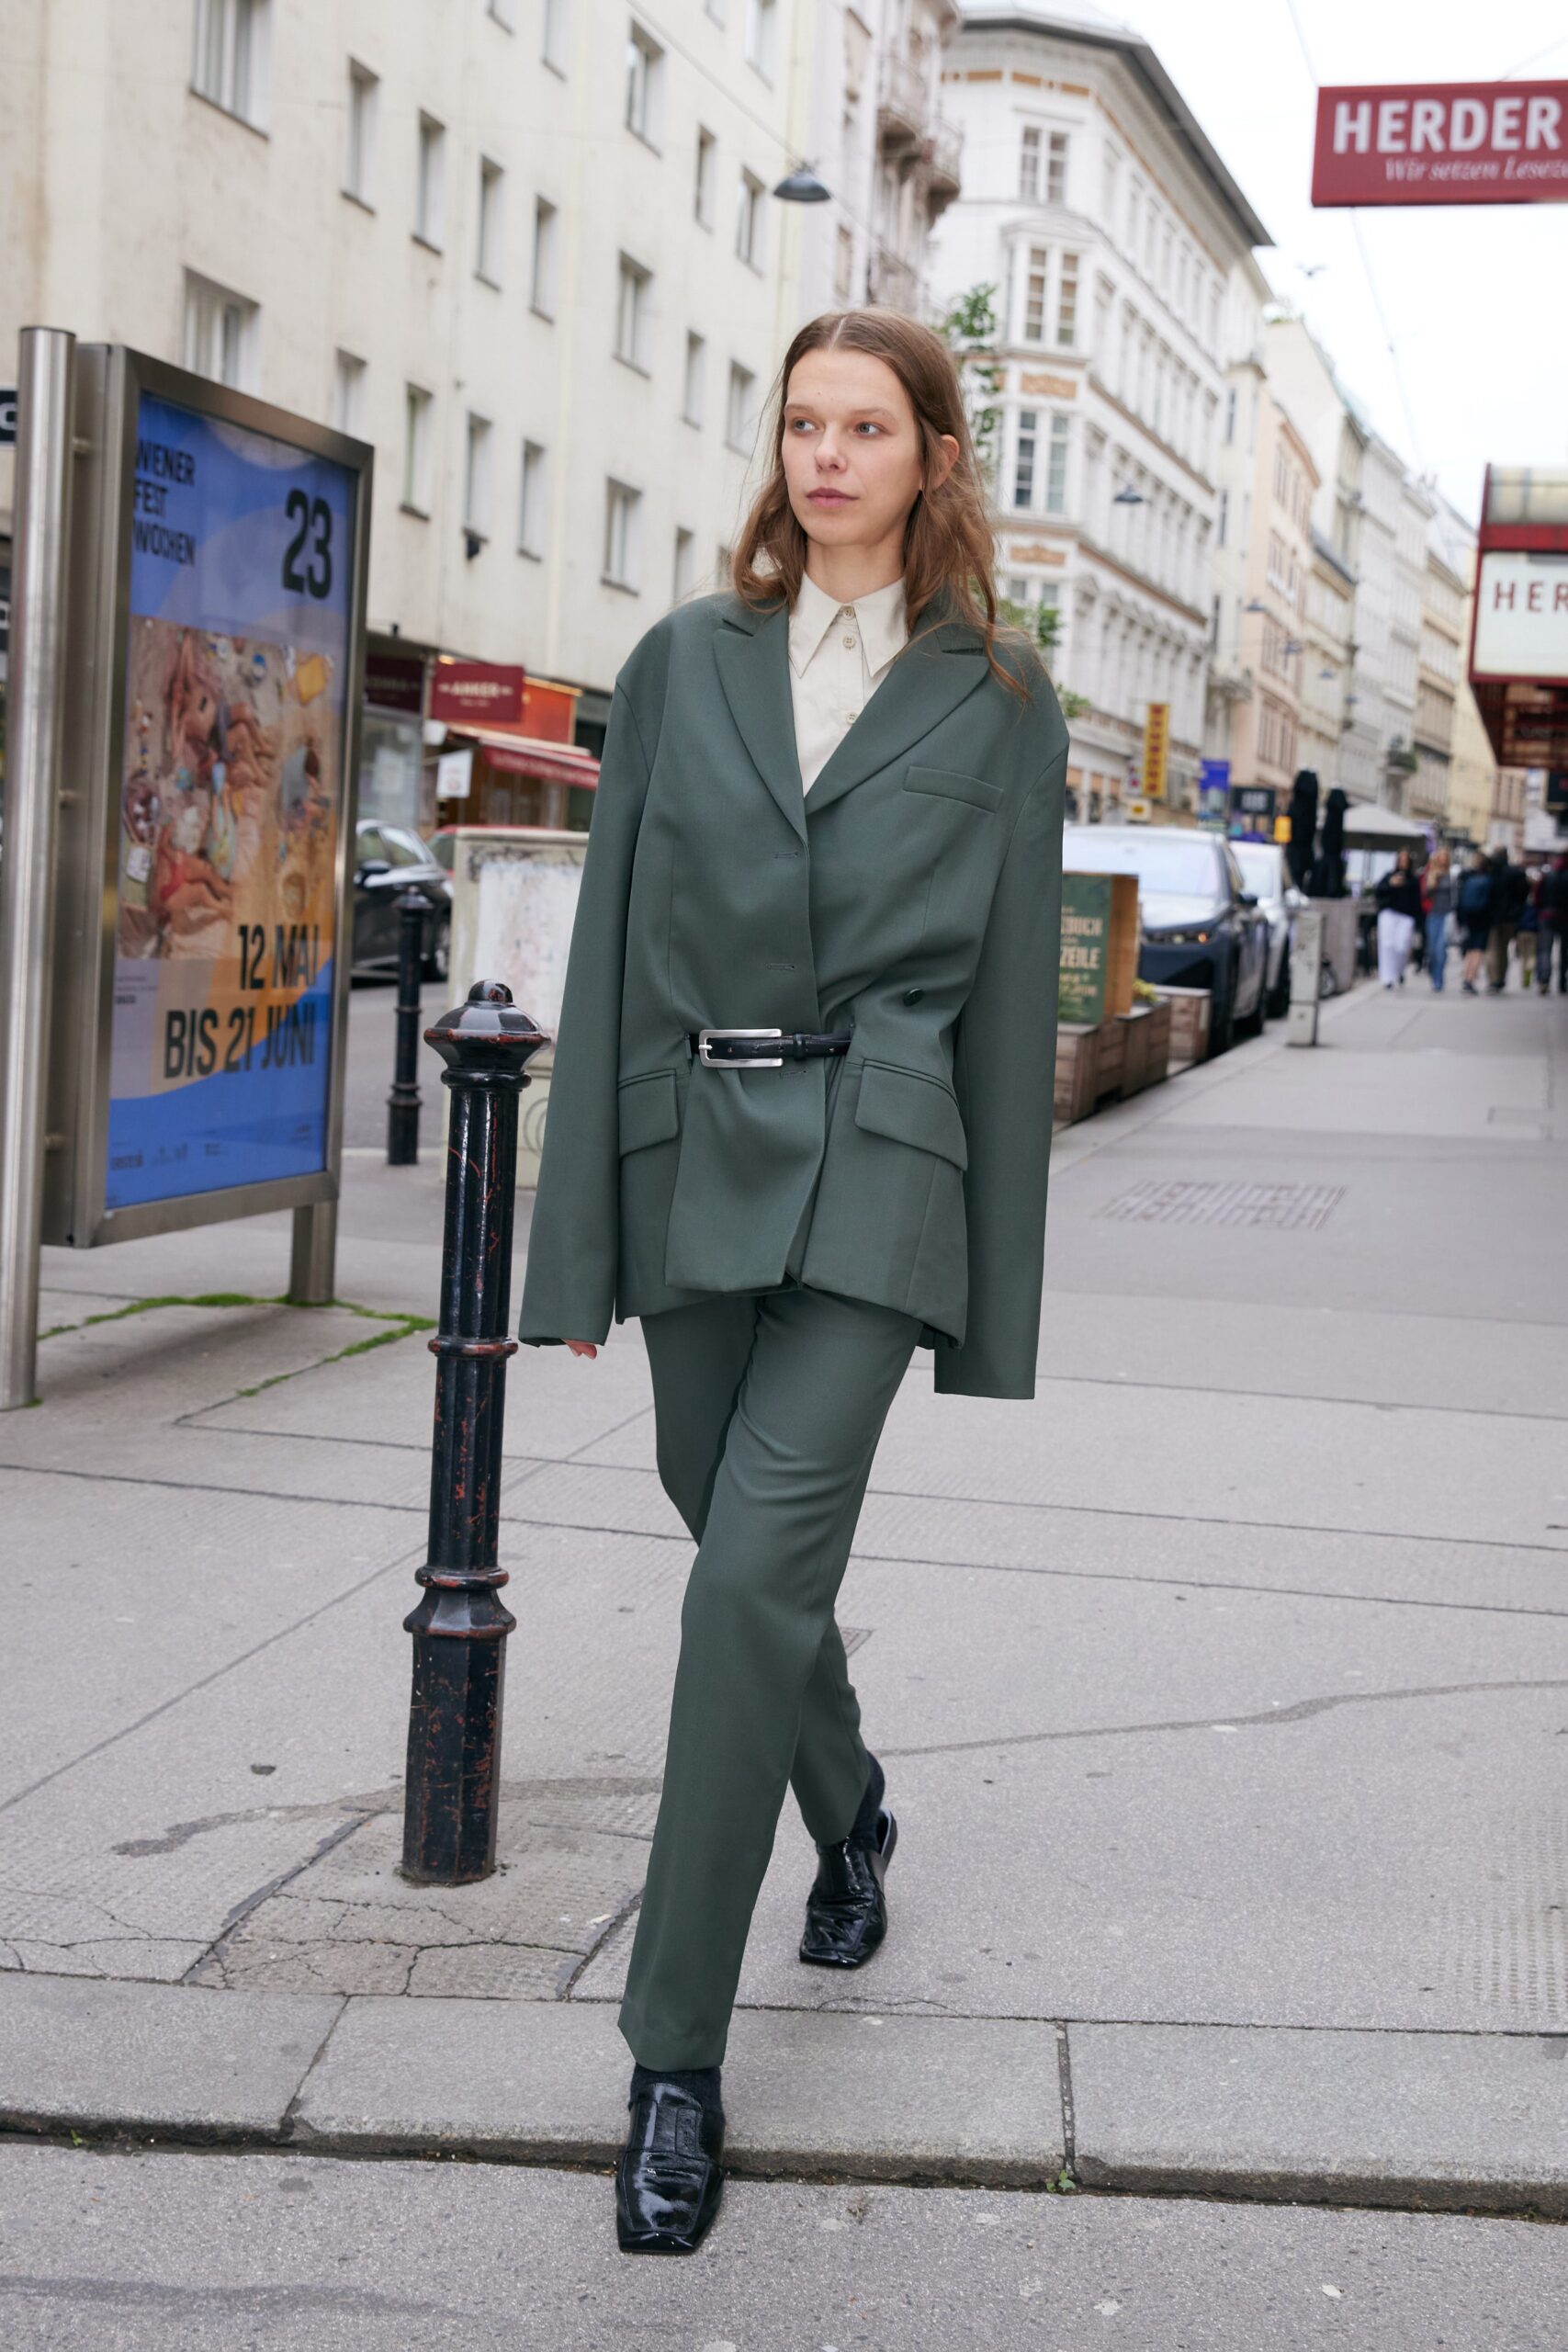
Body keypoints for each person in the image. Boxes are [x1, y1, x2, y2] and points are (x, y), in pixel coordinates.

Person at [516, 310, 1066, 2256]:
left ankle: (671, 2055)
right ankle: (851, 1806)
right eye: (802, 423)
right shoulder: (684, 660)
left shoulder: (1000, 693)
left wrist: (994, 1306)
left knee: (744, 1576)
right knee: (727, 1537)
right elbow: (604, 956)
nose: (826, 454)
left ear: (931, 453)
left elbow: (1006, 1003)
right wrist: (566, 1230)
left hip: (878, 1179)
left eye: (867, 425)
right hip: (689, 1156)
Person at [1374, 847, 1421, 988]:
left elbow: (1416, 901)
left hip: (1406, 916)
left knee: (1402, 946)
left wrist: (1419, 921)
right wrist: (1391, 884)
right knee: (1387, 944)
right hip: (1389, 913)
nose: (1403, 862)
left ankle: (1399, 970)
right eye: (1401, 859)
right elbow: (1378, 892)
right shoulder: (1389, 876)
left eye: (1405, 860)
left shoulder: (1413, 880)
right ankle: (1387, 978)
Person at [1486, 851, 1529, 992]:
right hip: (1510, 917)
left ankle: (1493, 979)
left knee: (1493, 949)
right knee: (1503, 949)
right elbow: (1524, 894)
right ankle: (1500, 979)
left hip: (1494, 917)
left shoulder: (1491, 873)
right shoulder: (1515, 873)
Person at [1456, 850, 1494, 994]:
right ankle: (1470, 979)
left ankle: (1466, 976)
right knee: (1478, 950)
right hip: (1483, 918)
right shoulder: (1489, 879)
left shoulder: (1467, 877)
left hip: (1469, 916)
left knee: (1470, 949)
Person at [1420, 845, 1454, 992]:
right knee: (1432, 950)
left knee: (1441, 949)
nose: (1442, 860)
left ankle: (1439, 980)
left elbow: (1454, 896)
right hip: (1433, 914)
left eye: (1445, 857)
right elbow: (1424, 894)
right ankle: (1433, 975)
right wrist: (1431, 881)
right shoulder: (1430, 873)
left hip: (1446, 914)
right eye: (1440, 857)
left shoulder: (1451, 875)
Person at [1538, 854, 1568, 994]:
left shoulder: (1549, 874)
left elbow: (1537, 896)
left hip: (1547, 915)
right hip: (1565, 917)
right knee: (1565, 952)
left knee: (1545, 949)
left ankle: (1544, 980)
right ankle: (1562, 981)